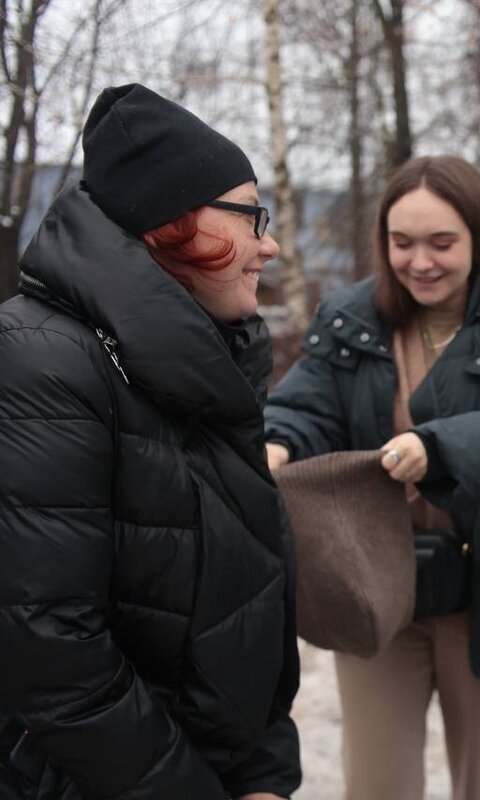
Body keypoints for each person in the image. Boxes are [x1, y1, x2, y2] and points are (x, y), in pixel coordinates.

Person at [0, 84, 299, 799]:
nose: (271, 244)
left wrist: (263, 773)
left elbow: (255, 591)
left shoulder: (210, 366)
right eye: (251, 216)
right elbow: (53, 651)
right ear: (170, 222)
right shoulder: (41, 362)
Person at [262, 156, 480, 799]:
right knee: (376, 785)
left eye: (442, 243)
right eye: (402, 243)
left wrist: (441, 447)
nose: (420, 262)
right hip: (376, 583)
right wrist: (277, 442)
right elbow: (306, 403)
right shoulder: (349, 316)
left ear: (479, 238)